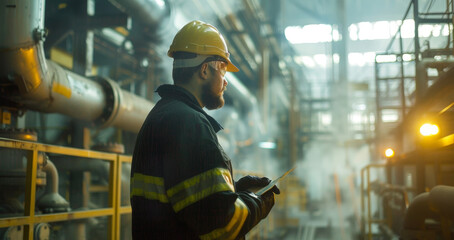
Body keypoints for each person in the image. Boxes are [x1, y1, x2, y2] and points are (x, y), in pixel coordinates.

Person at [130, 20, 280, 240]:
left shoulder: (162, 114)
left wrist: (234, 191)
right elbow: (222, 226)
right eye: (223, 71)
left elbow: (188, 202)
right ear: (204, 70)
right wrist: (257, 203)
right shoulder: (189, 124)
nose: (226, 82)